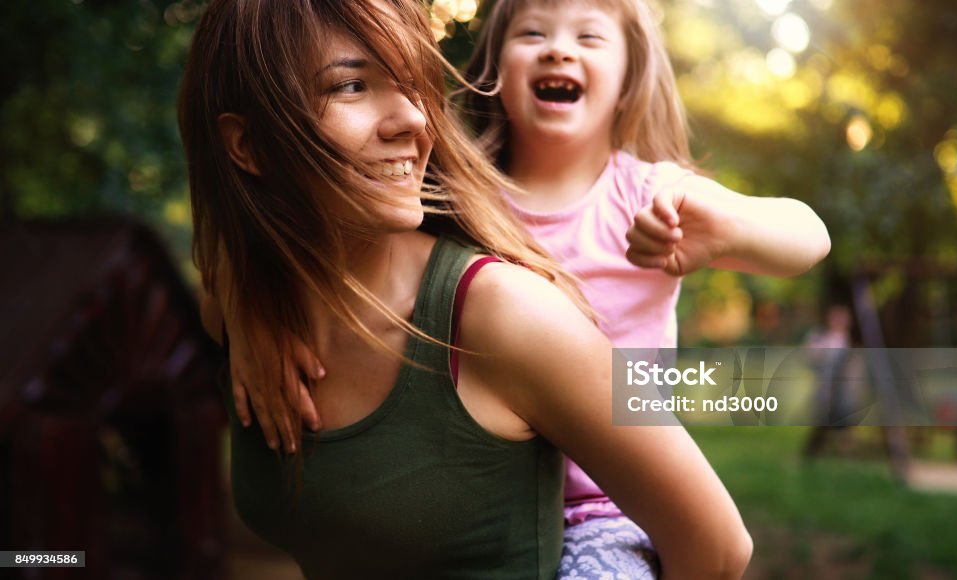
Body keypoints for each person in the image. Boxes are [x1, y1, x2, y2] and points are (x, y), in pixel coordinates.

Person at [183, 0, 751, 578]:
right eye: (352, 86)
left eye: (411, 84)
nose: (413, 119)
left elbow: (719, 548)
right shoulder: (241, 309)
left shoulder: (506, 316)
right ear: (246, 146)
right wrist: (243, 296)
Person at [454, 0, 830, 576]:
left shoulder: (653, 196)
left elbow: (810, 237)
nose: (559, 48)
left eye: (589, 37)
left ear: (628, 83)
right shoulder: (459, 199)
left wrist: (725, 229)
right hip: (476, 503)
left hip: (608, 508)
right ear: (496, 70)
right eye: (533, 32)